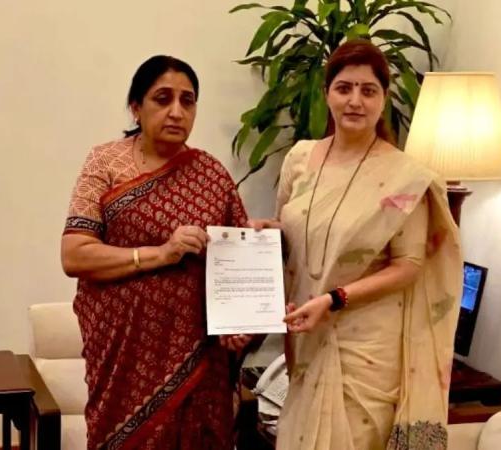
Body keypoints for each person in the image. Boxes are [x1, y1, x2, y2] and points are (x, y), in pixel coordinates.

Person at [252, 39, 463, 449]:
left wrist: (335, 299)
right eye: (344, 88)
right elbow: (295, 231)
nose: (355, 101)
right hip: (306, 334)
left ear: (383, 99)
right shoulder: (300, 158)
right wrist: (267, 231)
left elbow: (409, 264)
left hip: (365, 349)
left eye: (368, 90)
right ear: (326, 92)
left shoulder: (404, 178)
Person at [61, 55, 251, 450]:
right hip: (123, 358)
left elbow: (239, 262)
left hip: (199, 364)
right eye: (163, 99)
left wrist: (242, 324)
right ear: (136, 106)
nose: (177, 111)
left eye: (187, 101)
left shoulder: (211, 174)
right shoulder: (105, 163)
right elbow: (75, 254)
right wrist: (162, 253)